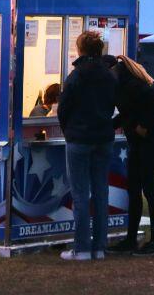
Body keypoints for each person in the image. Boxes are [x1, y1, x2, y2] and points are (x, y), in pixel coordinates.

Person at [57, 30, 117, 262]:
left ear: (80, 50)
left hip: (79, 140)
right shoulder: (110, 76)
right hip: (103, 138)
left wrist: (69, 131)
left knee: (81, 195)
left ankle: (81, 248)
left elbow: (64, 109)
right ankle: (99, 247)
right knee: (101, 192)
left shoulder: (75, 76)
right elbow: (112, 105)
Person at [108, 55, 154, 256]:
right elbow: (127, 113)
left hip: (150, 141)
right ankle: (131, 239)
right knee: (133, 189)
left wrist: (144, 124)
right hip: (137, 142)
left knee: (149, 189)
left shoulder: (131, 85)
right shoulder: (122, 86)